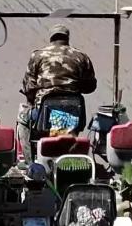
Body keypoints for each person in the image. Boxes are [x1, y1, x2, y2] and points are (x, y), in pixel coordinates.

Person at [17, 24, 97, 160]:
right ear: (67, 38)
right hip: (74, 114)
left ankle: (30, 163)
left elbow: (29, 87)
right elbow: (90, 86)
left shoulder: (38, 55)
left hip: (44, 114)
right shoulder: (81, 56)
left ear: (51, 38)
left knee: (22, 118)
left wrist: (31, 101)